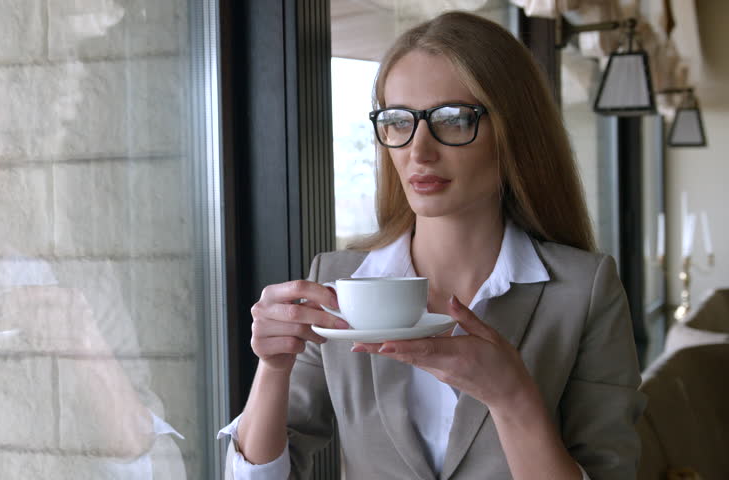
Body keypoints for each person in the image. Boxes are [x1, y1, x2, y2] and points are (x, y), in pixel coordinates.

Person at [218, 11, 645, 480]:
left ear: (515, 133)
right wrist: (273, 369)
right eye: (399, 121)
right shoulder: (337, 285)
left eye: (454, 120)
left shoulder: (583, 291)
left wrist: (512, 399)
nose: (418, 151)